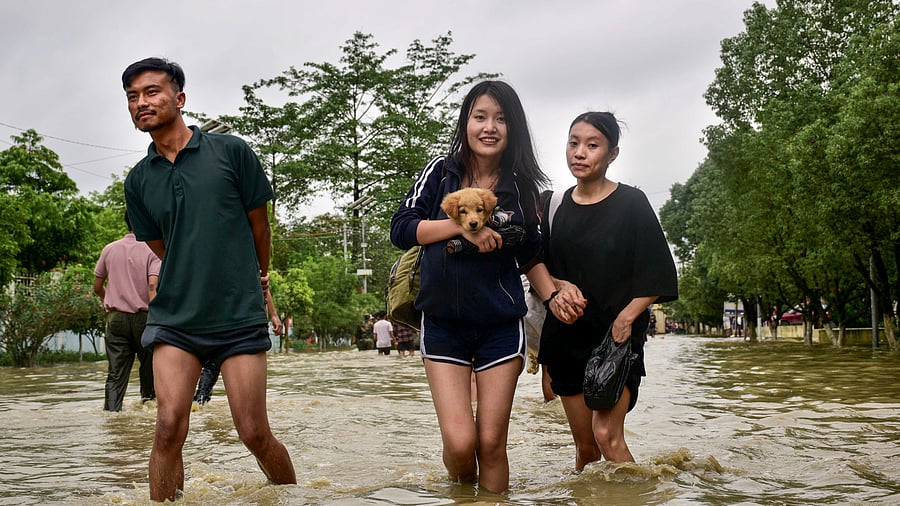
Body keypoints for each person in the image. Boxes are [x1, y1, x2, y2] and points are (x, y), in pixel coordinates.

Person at [121, 57, 295, 501]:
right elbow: (162, 245)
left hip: (238, 315)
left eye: (152, 91)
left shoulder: (231, 152)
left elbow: (260, 225)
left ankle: (294, 497)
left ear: (179, 98)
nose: (142, 102)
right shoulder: (138, 180)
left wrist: (256, 278)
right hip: (176, 318)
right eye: (133, 96)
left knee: (253, 432)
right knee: (166, 427)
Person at [390, 80, 557, 493]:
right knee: (462, 444)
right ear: (466, 122)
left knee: (491, 443)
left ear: (512, 127)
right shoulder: (440, 172)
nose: (490, 126)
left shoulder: (519, 187)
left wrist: (555, 296)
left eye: (500, 119)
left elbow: (532, 254)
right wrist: (467, 227)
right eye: (480, 116)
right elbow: (402, 229)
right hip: (444, 323)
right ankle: (462, 495)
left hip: (501, 325)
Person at [537, 111, 678, 472]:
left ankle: (643, 495)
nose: (579, 153)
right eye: (573, 143)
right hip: (567, 339)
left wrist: (627, 318)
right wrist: (558, 287)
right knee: (586, 448)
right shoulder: (552, 206)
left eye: (592, 145)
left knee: (606, 435)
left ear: (612, 154)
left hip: (617, 339)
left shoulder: (632, 202)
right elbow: (538, 271)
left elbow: (659, 272)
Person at [93, 211, 161, 411]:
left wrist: (111, 302)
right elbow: (152, 288)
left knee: (115, 374)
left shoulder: (110, 249)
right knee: (149, 369)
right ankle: (148, 408)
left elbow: (97, 286)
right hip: (145, 319)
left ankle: (112, 415)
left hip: (115, 319)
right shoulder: (153, 250)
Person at [193, 289, 283, 405]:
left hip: (248, 326)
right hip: (223, 320)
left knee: (215, 366)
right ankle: (201, 399)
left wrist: (274, 315)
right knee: (212, 364)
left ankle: (201, 400)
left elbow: (263, 285)